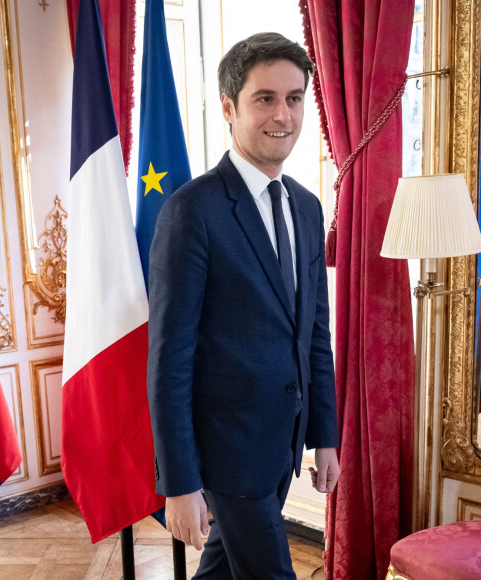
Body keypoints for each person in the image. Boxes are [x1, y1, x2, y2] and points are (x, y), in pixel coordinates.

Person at [147, 32, 340, 579]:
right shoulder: (193, 211)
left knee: (220, 572)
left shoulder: (306, 207)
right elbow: (169, 359)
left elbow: (315, 335)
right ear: (230, 107)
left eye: (295, 98)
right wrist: (180, 482)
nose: (284, 114)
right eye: (265, 98)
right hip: (225, 454)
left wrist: (324, 435)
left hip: (282, 443)